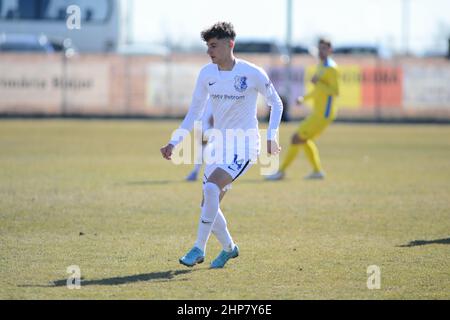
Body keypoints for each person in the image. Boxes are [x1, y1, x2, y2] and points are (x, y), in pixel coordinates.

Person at [160, 22, 283, 269]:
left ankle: (198, 248)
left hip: (246, 146)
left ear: (230, 44)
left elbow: (276, 103)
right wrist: (174, 141)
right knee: (208, 201)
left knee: (212, 188)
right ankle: (229, 248)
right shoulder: (207, 74)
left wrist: (272, 136)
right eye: (207, 46)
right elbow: (194, 111)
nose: (209, 52)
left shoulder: (252, 73)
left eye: (214, 46)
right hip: (219, 145)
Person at [266, 38, 339, 181]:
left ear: (330, 50)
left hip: (324, 114)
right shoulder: (321, 66)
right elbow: (318, 90)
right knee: (303, 139)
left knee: (296, 138)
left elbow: (335, 91)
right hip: (317, 113)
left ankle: (281, 172)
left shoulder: (331, 68)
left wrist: (319, 83)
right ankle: (317, 171)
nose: (321, 51)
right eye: (320, 48)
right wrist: (303, 99)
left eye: (324, 48)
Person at [185, 100, 214, 182]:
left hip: (214, 123)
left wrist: (214, 115)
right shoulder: (206, 94)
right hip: (205, 123)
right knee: (203, 148)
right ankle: (195, 172)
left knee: (212, 149)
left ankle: (201, 173)